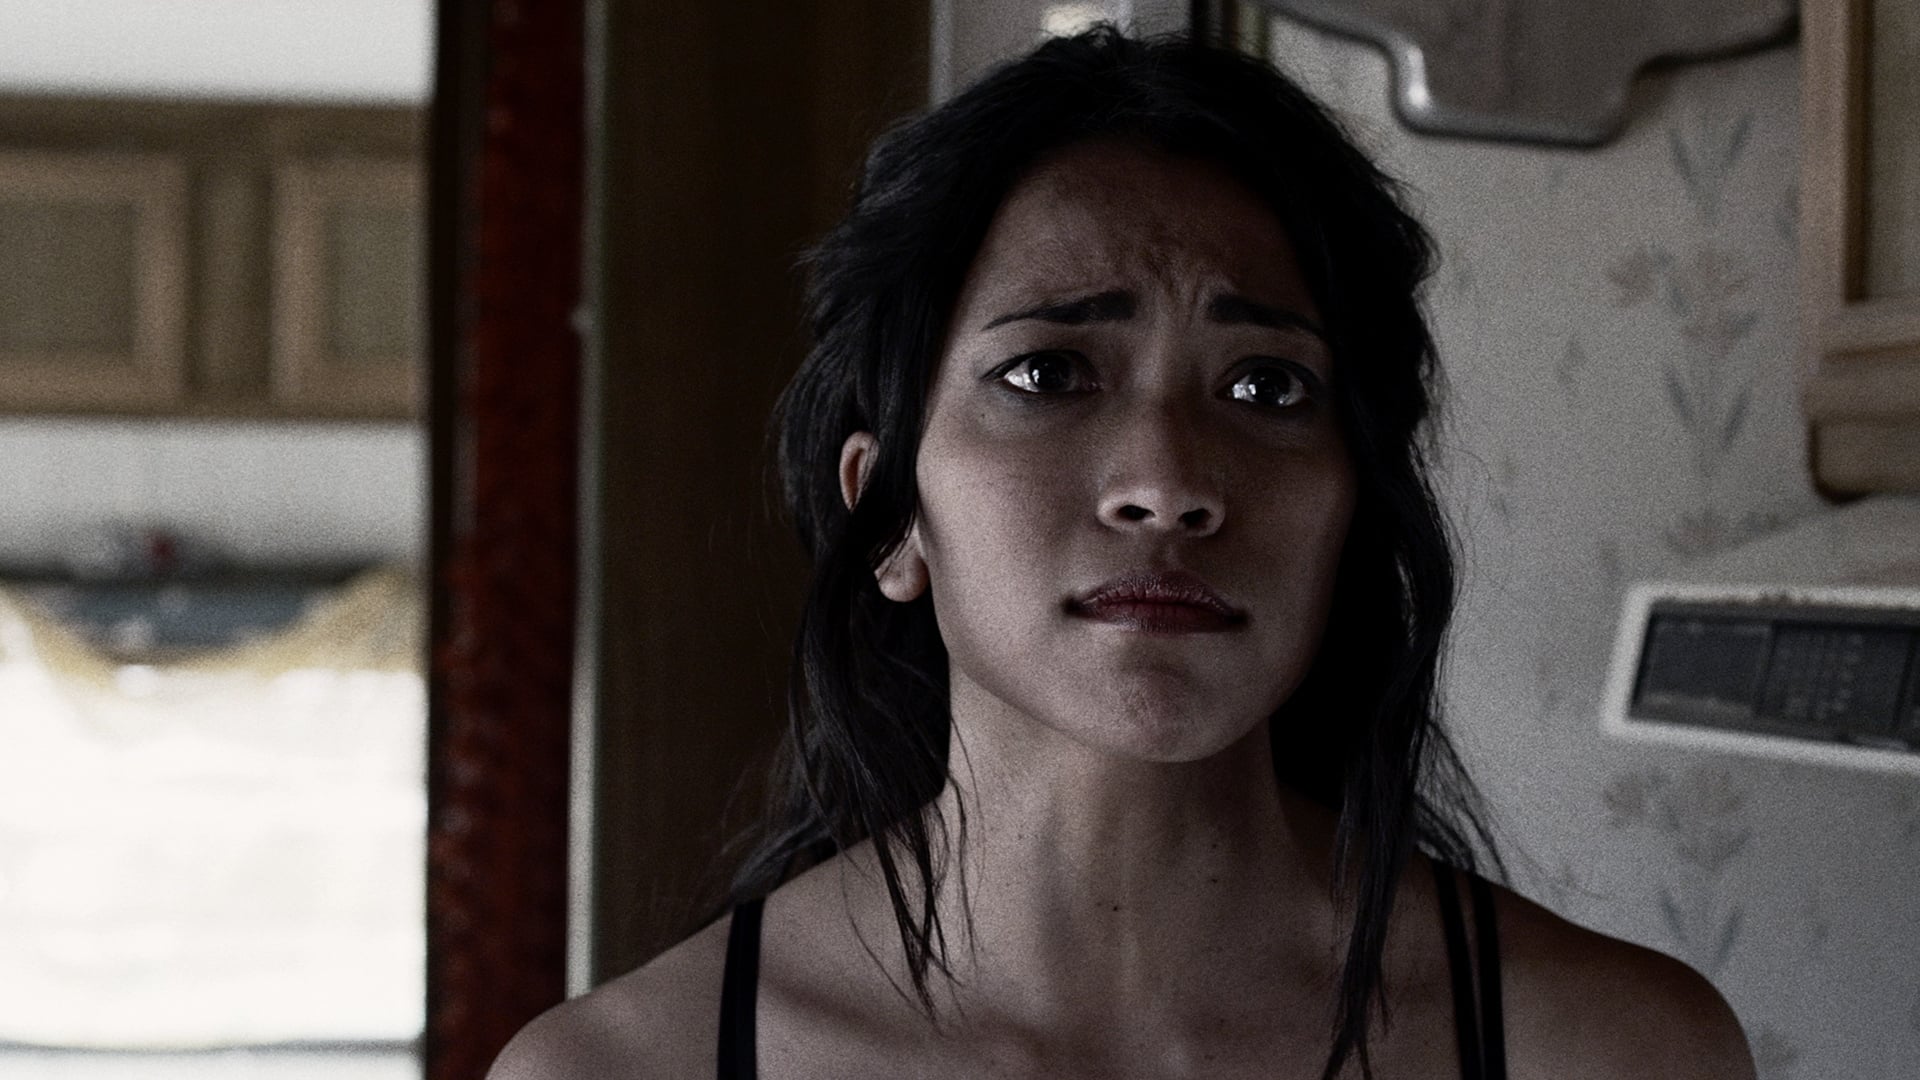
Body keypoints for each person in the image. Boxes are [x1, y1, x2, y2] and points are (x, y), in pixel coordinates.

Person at [489, 25, 1756, 1080]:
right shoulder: (618, 1072)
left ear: (1353, 509)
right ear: (892, 514)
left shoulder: (1608, 1051)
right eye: (1049, 374)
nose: (1169, 484)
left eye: (1265, 388)